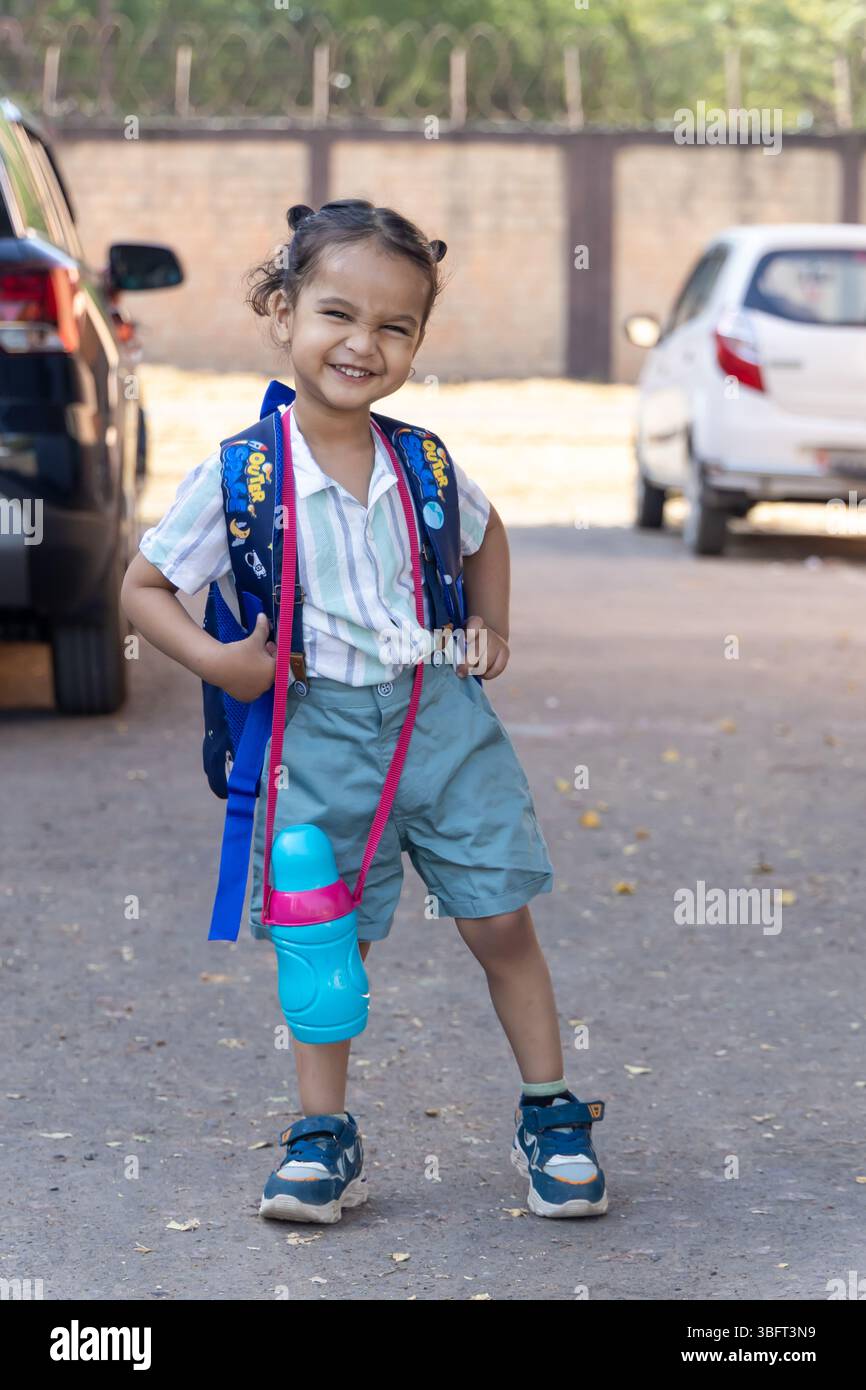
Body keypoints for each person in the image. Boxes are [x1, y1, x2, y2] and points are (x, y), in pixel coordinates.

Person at [121, 198, 607, 1224]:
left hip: (441, 717)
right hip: (319, 731)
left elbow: (486, 535)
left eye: (395, 327)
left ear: (417, 344)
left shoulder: (422, 461)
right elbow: (142, 588)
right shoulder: (243, 471)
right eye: (338, 314)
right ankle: (321, 1135)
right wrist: (221, 661)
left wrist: (489, 627)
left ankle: (549, 1109)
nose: (363, 343)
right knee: (327, 942)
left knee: (498, 918)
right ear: (283, 312)